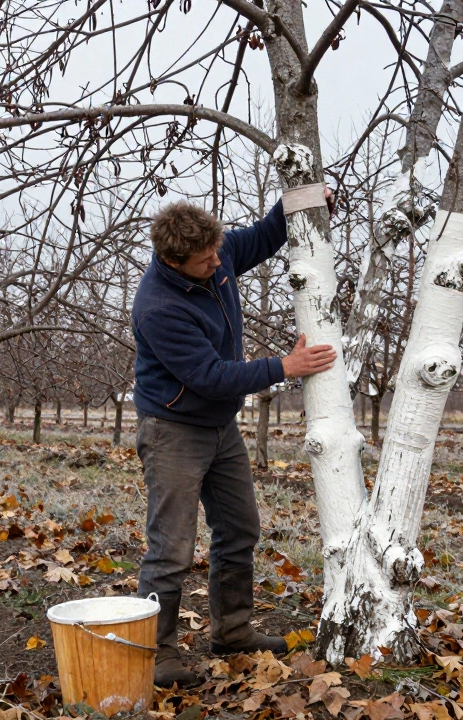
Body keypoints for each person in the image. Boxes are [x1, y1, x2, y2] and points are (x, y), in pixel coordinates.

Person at [131, 195, 337, 688]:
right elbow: (209, 375)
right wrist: (282, 368)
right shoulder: (159, 306)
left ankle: (232, 629)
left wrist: (301, 196)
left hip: (218, 427)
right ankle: (155, 652)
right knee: (171, 548)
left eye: (218, 252)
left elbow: (267, 234)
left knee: (240, 527)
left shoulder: (214, 255)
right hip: (173, 428)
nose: (219, 263)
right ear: (173, 261)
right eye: (206, 261)